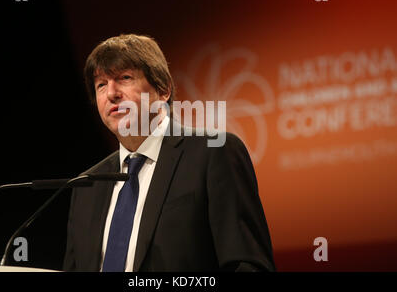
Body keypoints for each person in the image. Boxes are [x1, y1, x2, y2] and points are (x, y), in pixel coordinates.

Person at [63, 34, 275, 272]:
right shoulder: (86, 185)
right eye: (101, 84)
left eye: (124, 78)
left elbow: (247, 264)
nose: (111, 93)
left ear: (163, 90)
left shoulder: (213, 153)